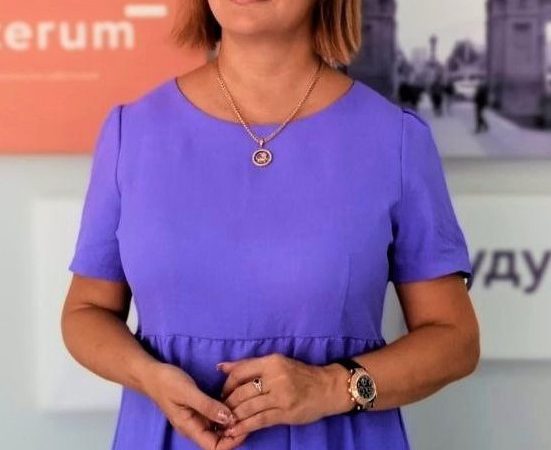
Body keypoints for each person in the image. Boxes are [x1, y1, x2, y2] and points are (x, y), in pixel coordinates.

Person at [60, 1, 480, 449]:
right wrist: (148, 376)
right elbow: (86, 312)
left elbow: (454, 338)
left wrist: (331, 387)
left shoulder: (396, 139)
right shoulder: (132, 131)